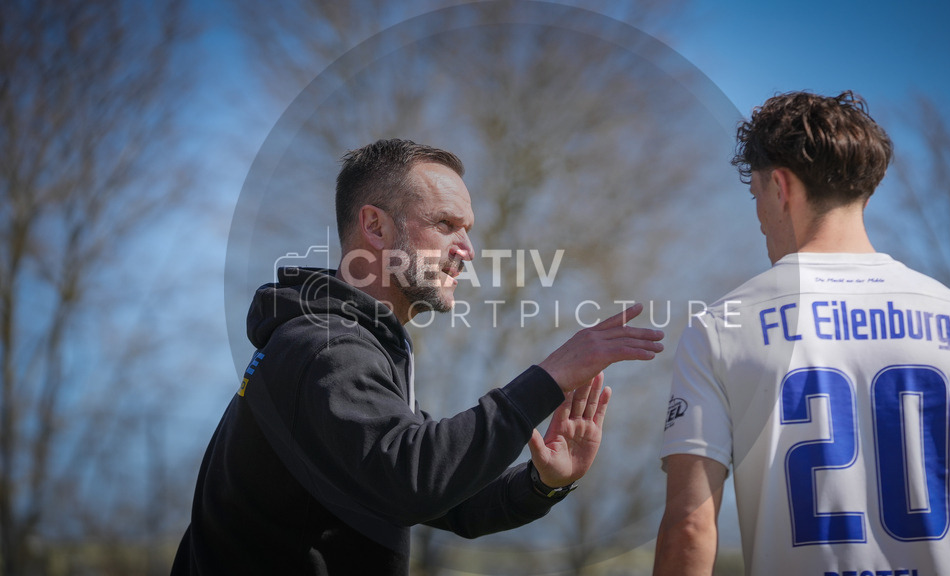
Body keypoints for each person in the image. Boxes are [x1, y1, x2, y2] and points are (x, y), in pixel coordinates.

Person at [171, 138, 665, 575]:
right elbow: (416, 480)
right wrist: (550, 377)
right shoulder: (325, 350)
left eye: (467, 229)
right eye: (446, 224)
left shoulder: (345, 346)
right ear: (375, 227)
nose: (467, 250)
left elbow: (451, 501)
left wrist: (543, 483)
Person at [654, 91, 950, 575]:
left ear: (781, 188)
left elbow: (690, 527)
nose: (760, 218)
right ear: (864, 191)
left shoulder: (719, 328)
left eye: (756, 196)